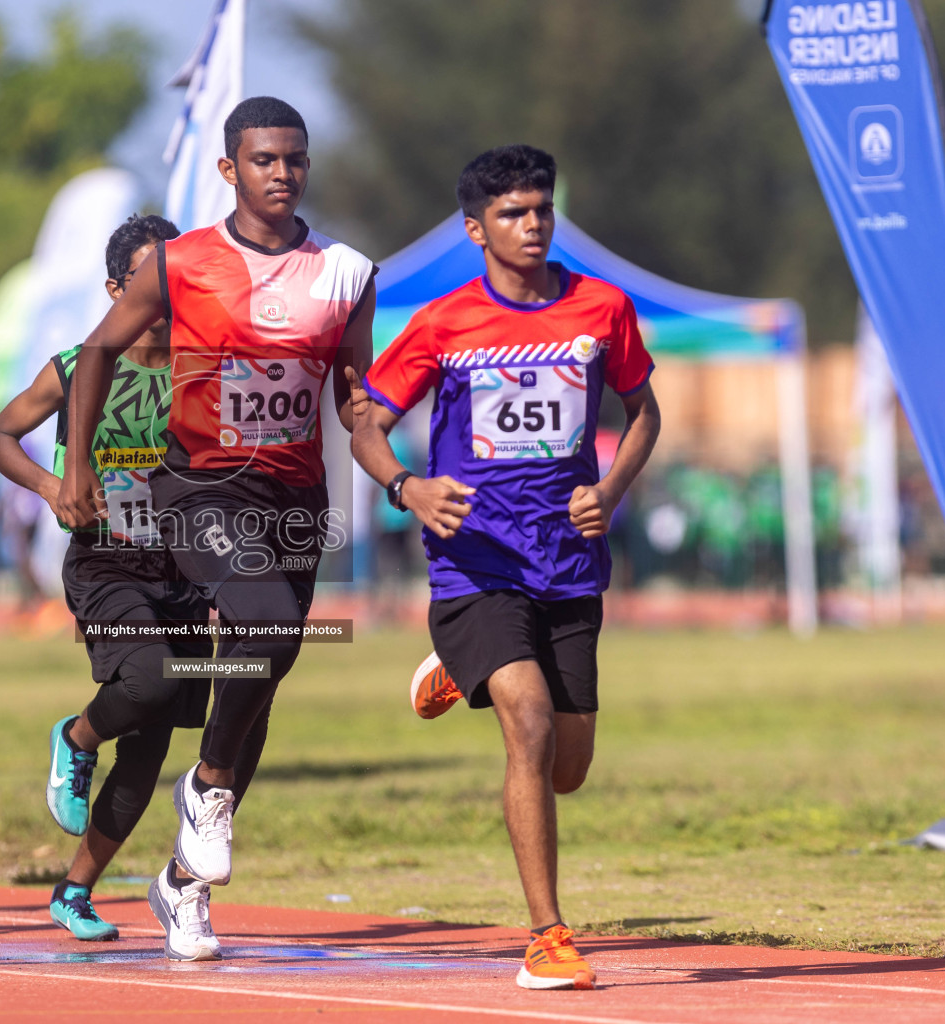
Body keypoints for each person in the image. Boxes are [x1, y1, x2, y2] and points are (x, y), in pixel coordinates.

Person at [57, 97, 376, 959]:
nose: (283, 172)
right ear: (230, 170)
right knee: (262, 627)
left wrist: (388, 456)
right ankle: (203, 787)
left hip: (298, 500)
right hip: (198, 491)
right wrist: (78, 467)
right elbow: (92, 355)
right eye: (265, 159)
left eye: (296, 158)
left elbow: (354, 392)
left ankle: (184, 883)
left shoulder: (346, 270)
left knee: (259, 672)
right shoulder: (179, 262)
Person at [352, 145, 661, 991]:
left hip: (567, 563)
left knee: (566, 767)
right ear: (474, 228)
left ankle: (458, 672)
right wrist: (406, 488)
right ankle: (547, 936)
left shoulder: (603, 309)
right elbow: (366, 427)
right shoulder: (442, 323)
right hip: (472, 562)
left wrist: (611, 486)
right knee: (525, 724)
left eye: (541, 210)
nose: (531, 226)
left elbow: (643, 412)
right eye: (512, 214)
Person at [0, 214, 217, 952]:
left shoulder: (202, 371)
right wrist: (53, 486)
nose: (163, 295)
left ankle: (75, 889)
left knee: (147, 752)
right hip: (105, 560)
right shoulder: (77, 364)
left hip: (184, 572)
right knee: (144, 683)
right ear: (117, 288)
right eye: (148, 280)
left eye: (173, 279)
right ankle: (75, 736)